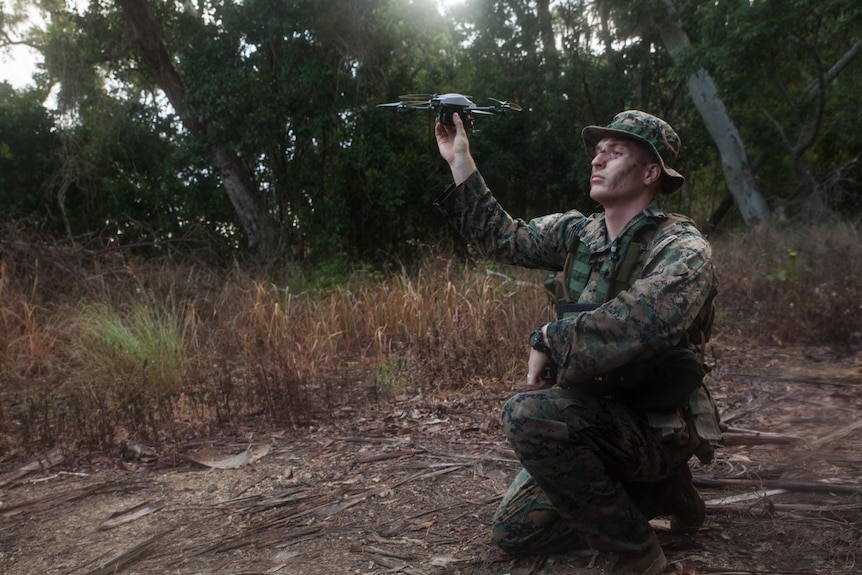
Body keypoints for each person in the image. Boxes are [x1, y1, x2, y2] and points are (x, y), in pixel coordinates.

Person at [433, 110, 722, 575]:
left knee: (527, 415)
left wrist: (550, 336)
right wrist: (460, 159)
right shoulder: (579, 234)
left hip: (655, 424)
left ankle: (637, 556)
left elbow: (646, 320)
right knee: (516, 532)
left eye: (615, 151)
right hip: (592, 414)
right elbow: (502, 238)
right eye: (597, 150)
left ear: (651, 173)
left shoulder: (683, 247)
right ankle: (659, 493)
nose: (598, 158)